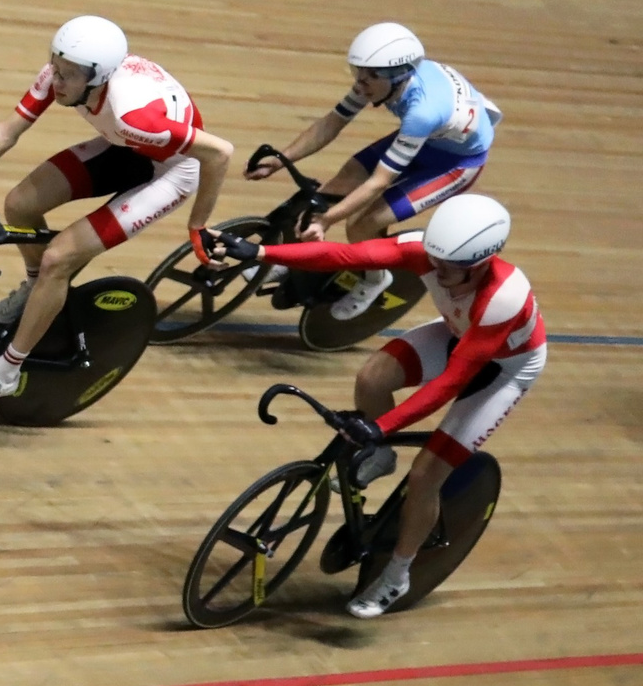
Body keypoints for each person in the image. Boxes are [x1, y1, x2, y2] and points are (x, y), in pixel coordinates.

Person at [229, 194, 540, 618]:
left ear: (484, 262)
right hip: (456, 333)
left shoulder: (502, 298)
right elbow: (343, 254)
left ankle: (397, 574)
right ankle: (383, 457)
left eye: (453, 269)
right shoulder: (427, 254)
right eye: (436, 261)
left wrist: (382, 425)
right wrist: (263, 252)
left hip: (504, 368)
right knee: (371, 378)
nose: (438, 272)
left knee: (427, 474)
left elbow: (453, 381)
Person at [0, 16, 236, 409]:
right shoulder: (66, 74)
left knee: (59, 258)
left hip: (172, 171)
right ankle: (37, 290)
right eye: (55, 67)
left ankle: (6, 372)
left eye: (67, 76)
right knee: (20, 205)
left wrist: (197, 224)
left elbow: (219, 153)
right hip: (126, 148)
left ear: (96, 80)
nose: (55, 81)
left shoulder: (135, 115)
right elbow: (7, 131)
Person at [246, 23, 500, 323]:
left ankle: (375, 281)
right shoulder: (384, 81)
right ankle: (295, 259)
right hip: (434, 138)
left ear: (400, 75)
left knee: (363, 225)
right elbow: (332, 122)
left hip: (455, 165)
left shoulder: (422, 112)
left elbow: (379, 181)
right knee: (335, 187)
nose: (360, 82)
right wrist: (281, 158)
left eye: (371, 76)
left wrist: (327, 220)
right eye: (358, 72)